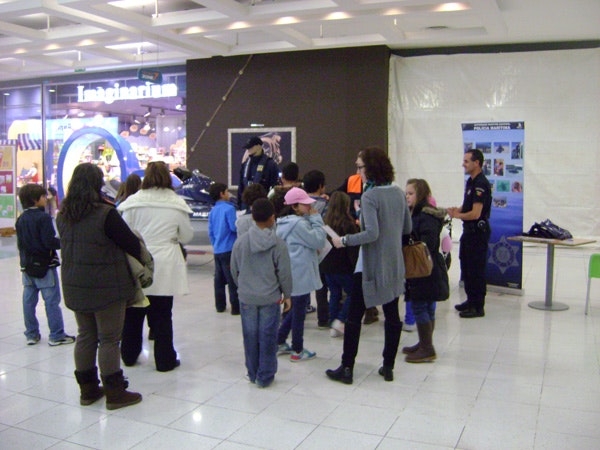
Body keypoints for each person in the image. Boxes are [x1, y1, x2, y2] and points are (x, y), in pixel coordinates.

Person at [57, 163, 142, 410]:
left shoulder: (62, 215)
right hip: (107, 286)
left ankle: (88, 391)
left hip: (75, 285)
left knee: (85, 335)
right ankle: (115, 393)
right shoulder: (106, 213)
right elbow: (131, 245)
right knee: (109, 339)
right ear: (97, 183)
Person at [326, 146, 411, 384]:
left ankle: (347, 368)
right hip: (394, 264)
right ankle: (388, 366)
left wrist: (344, 240)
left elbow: (371, 234)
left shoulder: (370, 196)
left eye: (360, 166)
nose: (357, 171)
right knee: (392, 316)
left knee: (353, 317)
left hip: (370, 266)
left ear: (371, 168)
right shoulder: (397, 193)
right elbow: (407, 229)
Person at [118, 161, 194, 371]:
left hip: (138, 262)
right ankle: (164, 359)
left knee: (133, 312)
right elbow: (186, 235)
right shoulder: (176, 203)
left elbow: (124, 233)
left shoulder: (133, 202)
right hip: (166, 264)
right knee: (162, 314)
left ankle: (129, 355)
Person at [231, 199, 292, 388]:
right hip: (270, 297)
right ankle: (265, 376)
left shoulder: (240, 242)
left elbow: (234, 269)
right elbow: (284, 272)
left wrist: (243, 287)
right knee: (268, 335)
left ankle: (252, 372)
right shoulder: (278, 244)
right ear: (272, 217)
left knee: (250, 335)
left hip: (247, 296)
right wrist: (287, 295)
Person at [16, 184, 75, 346]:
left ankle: (31, 333)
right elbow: (49, 242)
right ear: (35, 200)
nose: (46, 199)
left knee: (28, 301)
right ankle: (56, 334)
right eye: (43, 196)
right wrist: (65, 242)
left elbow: (21, 244)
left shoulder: (21, 219)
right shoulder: (44, 218)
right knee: (51, 301)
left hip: (27, 265)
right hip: (45, 265)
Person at [276, 187, 326, 362]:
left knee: (296, 308)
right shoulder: (300, 224)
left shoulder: (283, 223)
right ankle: (297, 350)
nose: (310, 207)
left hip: (293, 273)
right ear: (295, 206)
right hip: (301, 274)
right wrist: (317, 219)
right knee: (299, 313)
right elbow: (319, 240)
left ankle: (279, 340)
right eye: (305, 205)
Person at [402, 179, 449, 363]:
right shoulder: (418, 214)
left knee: (420, 305)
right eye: (406, 193)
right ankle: (424, 342)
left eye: (411, 193)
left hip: (423, 267)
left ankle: (427, 348)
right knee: (427, 306)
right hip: (425, 265)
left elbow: (427, 242)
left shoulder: (425, 216)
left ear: (420, 195)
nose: (407, 196)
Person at [448, 149, 492, 318]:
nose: (463, 164)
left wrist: (458, 215)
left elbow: (475, 214)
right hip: (468, 232)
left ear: (477, 163)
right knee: (466, 266)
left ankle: (478, 306)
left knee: (476, 269)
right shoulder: (471, 182)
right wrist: (455, 210)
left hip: (477, 233)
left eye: (467, 161)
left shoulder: (481, 184)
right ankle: (470, 300)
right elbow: (467, 207)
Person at [337, 171, 379, 325]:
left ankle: (369, 309)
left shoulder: (379, 189)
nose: (357, 170)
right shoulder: (351, 180)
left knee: (366, 275)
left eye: (360, 166)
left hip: (367, 235)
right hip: (356, 231)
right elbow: (337, 193)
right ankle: (367, 310)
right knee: (360, 275)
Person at [320, 191, 359, 337]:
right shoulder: (348, 224)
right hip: (344, 266)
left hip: (327, 266)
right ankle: (341, 320)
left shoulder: (324, 223)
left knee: (334, 294)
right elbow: (353, 249)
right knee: (352, 294)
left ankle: (332, 322)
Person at [208, 182, 240, 314]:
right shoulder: (229, 208)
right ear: (222, 194)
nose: (229, 194)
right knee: (233, 279)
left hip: (217, 249)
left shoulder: (213, 211)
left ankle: (220, 306)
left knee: (219, 280)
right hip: (229, 249)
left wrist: (215, 244)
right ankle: (235, 307)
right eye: (227, 191)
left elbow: (210, 232)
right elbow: (233, 227)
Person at [303, 169, 329, 323]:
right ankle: (323, 318)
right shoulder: (325, 203)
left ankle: (302, 308)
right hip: (321, 248)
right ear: (321, 186)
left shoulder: (300, 204)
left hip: (304, 246)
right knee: (322, 284)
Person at [237, 136, 279, 209]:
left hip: (263, 205)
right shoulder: (245, 164)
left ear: (259, 146)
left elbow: (274, 186)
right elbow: (241, 186)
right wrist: (239, 205)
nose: (248, 150)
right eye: (247, 148)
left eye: (251, 147)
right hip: (246, 205)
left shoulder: (270, 164)